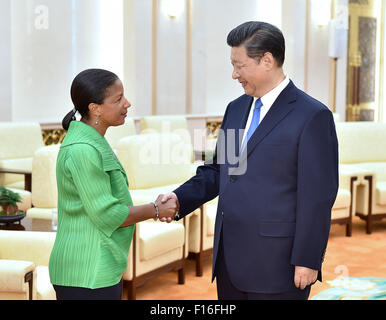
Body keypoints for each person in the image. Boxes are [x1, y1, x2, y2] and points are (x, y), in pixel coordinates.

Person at [161, 21, 339, 300]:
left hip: (278, 265)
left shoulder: (312, 115)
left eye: (239, 65)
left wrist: (307, 258)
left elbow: (317, 196)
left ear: (267, 60)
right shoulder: (236, 108)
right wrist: (178, 198)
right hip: (229, 260)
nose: (234, 75)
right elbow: (219, 170)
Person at [48, 69, 177, 300]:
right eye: (118, 99)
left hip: (98, 267)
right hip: (86, 271)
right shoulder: (82, 149)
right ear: (94, 108)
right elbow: (107, 214)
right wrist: (155, 209)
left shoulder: (93, 142)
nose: (127, 103)